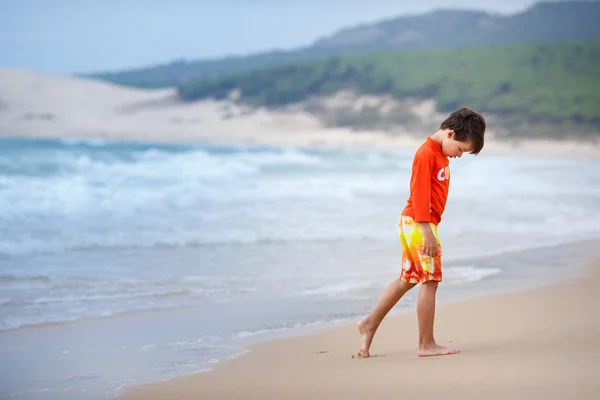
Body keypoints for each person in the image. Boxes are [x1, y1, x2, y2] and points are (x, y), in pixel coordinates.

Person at [357, 107, 486, 358]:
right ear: (449, 134)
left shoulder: (440, 155)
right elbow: (419, 196)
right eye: (460, 149)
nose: (459, 156)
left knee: (408, 279)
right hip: (419, 223)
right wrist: (427, 232)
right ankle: (426, 344)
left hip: (416, 222)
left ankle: (369, 324)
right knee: (430, 280)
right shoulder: (426, 153)